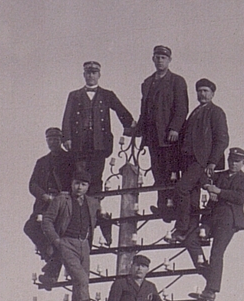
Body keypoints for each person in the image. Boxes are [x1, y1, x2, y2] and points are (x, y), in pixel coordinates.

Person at [127, 46, 189, 221]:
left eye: (163, 57)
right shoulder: (147, 83)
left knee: (171, 172)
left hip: (169, 137)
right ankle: (162, 206)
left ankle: (172, 207)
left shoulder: (177, 81)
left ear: (169, 60)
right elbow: (144, 110)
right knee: (157, 172)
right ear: (153, 59)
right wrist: (138, 129)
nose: (160, 60)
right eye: (157, 57)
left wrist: (175, 128)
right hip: (153, 136)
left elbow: (182, 108)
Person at [186, 147, 244, 301]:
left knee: (216, 252)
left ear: (243, 162)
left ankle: (211, 290)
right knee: (190, 240)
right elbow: (203, 176)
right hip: (210, 218)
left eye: (236, 162)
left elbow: (240, 197)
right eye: (231, 161)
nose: (233, 164)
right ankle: (209, 273)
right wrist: (208, 187)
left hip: (228, 219)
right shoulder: (220, 175)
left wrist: (219, 192)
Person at [169, 80, 229, 245]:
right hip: (188, 160)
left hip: (201, 161)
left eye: (206, 91)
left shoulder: (215, 112)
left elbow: (222, 139)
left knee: (181, 189)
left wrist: (211, 162)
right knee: (191, 196)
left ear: (212, 94)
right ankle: (191, 230)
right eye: (200, 91)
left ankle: (181, 227)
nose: (202, 94)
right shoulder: (195, 112)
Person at [42, 168, 101, 301]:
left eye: (83, 185)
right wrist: (57, 241)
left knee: (79, 285)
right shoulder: (62, 199)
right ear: (72, 183)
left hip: (85, 245)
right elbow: (47, 221)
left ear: (88, 186)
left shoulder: (92, 202)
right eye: (77, 183)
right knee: (82, 280)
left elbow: (97, 220)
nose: (79, 187)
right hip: (66, 243)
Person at [61, 62, 134, 194]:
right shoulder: (74, 95)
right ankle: (78, 210)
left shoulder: (107, 95)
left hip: (99, 143)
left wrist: (130, 125)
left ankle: (94, 209)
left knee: (96, 176)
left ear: (99, 75)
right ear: (84, 75)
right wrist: (67, 138)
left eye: (94, 73)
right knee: (79, 175)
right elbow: (67, 118)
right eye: (88, 73)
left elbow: (120, 110)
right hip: (79, 143)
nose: (91, 76)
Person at [23, 128, 73, 281]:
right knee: (30, 227)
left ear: (61, 140)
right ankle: (49, 251)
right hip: (44, 204)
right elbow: (32, 184)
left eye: (56, 139)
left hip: (62, 204)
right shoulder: (42, 162)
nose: (52, 142)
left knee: (57, 233)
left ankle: (51, 274)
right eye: (49, 139)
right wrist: (44, 196)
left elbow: (76, 181)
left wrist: (63, 197)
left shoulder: (69, 159)